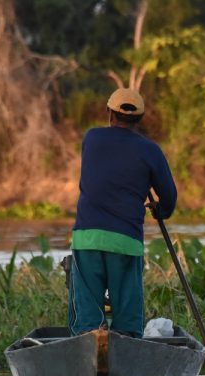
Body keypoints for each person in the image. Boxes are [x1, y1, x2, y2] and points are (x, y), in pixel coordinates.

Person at [68, 88, 177, 338]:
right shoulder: (150, 151)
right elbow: (169, 198)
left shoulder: (91, 138)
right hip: (125, 241)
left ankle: (90, 343)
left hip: (88, 238)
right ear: (139, 119)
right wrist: (160, 211)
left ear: (109, 113)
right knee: (127, 320)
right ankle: (124, 345)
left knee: (88, 319)